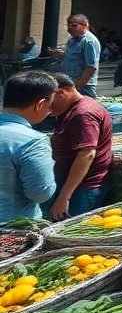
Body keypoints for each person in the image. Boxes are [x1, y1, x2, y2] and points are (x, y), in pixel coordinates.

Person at [47, 72, 114, 219]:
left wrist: (64, 197)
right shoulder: (71, 109)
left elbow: (86, 155)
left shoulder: (83, 114)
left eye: (48, 100)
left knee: (69, 232)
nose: (48, 107)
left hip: (84, 187)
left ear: (61, 92)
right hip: (74, 185)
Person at [0, 71, 58, 222]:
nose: (50, 112)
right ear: (39, 104)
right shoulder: (32, 141)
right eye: (50, 106)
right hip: (12, 230)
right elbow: (40, 193)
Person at [49, 14, 100, 97]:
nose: (70, 29)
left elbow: (91, 67)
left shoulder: (89, 41)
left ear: (85, 25)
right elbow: (71, 57)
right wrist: (59, 54)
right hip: (69, 83)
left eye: (74, 26)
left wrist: (78, 85)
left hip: (82, 87)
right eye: (68, 26)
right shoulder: (72, 40)